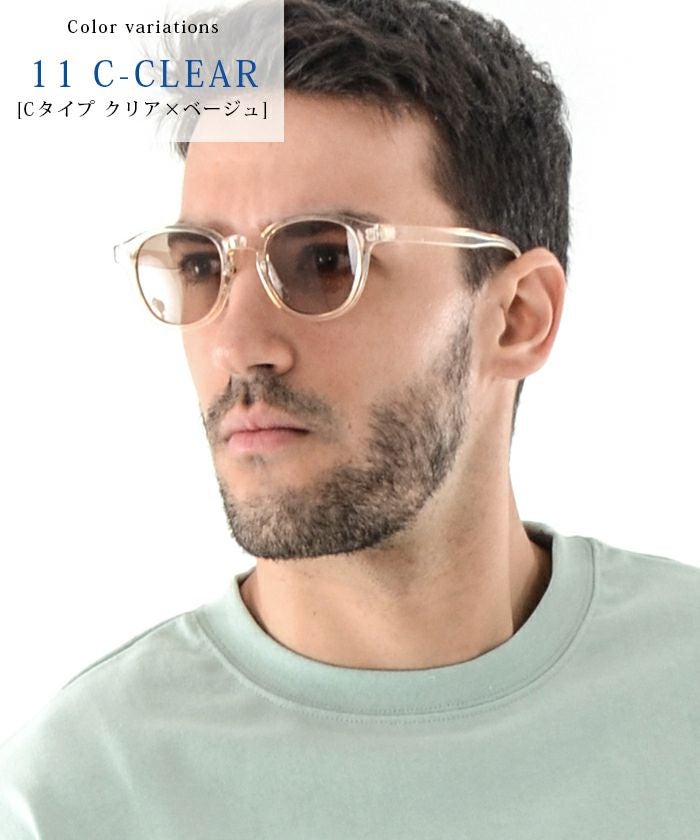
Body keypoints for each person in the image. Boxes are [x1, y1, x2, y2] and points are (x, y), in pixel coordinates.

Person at [1, 0, 698, 837]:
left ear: (518, 318)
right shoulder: (73, 798)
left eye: (326, 261)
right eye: (201, 267)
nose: (237, 345)